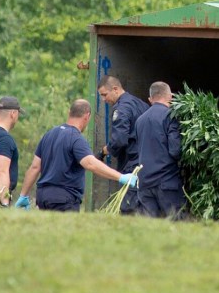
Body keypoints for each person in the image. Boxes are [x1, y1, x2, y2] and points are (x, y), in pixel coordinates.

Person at [14, 99, 137, 212]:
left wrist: (23, 195)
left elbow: (35, 167)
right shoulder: (76, 138)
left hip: (43, 197)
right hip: (63, 199)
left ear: (69, 112)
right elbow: (90, 163)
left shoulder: (49, 134)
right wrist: (121, 177)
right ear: (87, 116)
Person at [96, 75, 149, 215]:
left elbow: (119, 140)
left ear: (115, 89)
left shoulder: (121, 108)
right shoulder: (140, 103)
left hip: (132, 165)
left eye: (104, 95)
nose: (103, 99)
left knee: (128, 208)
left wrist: (103, 151)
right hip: (146, 163)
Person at [135, 81, 186, 219]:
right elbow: (175, 151)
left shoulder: (140, 120)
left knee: (150, 229)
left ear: (150, 99)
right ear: (170, 96)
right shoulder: (171, 116)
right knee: (175, 224)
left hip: (144, 183)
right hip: (166, 183)